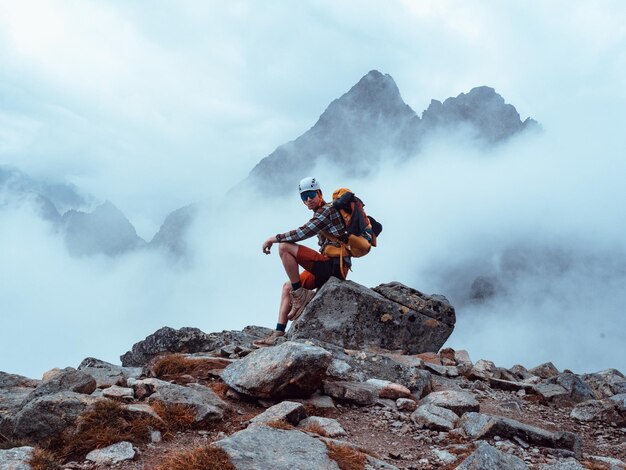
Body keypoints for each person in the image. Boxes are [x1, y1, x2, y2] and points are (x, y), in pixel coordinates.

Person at [253, 176, 350, 347]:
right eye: (304, 197)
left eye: (311, 195)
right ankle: (278, 332)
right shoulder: (321, 212)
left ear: (319, 193)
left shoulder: (327, 211)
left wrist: (274, 238)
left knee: (283, 247)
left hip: (334, 265)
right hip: (328, 266)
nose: (308, 200)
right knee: (287, 287)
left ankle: (300, 296)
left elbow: (304, 232)